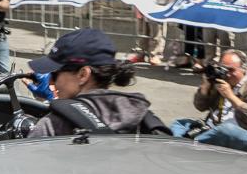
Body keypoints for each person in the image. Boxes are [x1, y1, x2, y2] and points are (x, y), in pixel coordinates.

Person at [26, 29, 168, 137]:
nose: (51, 81)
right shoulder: (142, 117)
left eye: (55, 74)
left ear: (83, 75)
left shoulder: (52, 125)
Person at [170, 49, 247, 153]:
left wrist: (231, 96)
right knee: (180, 123)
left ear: (244, 69)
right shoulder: (220, 79)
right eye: (224, 69)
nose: (227, 74)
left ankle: (185, 147)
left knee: (226, 130)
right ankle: (184, 144)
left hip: (245, 133)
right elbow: (200, 106)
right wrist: (205, 86)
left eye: (231, 70)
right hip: (213, 127)